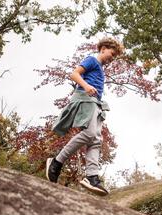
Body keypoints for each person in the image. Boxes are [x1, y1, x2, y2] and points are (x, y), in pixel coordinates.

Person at [45, 37, 124, 196]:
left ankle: (92, 176)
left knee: (95, 139)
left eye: (115, 56)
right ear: (103, 48)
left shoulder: (100, 68)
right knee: (89, 133)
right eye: (112, 53)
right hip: (86, 99)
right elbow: (74, 74)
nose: (112, 58)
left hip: (95, 103)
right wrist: (87, 86)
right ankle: (56, 162)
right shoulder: (92, 60)